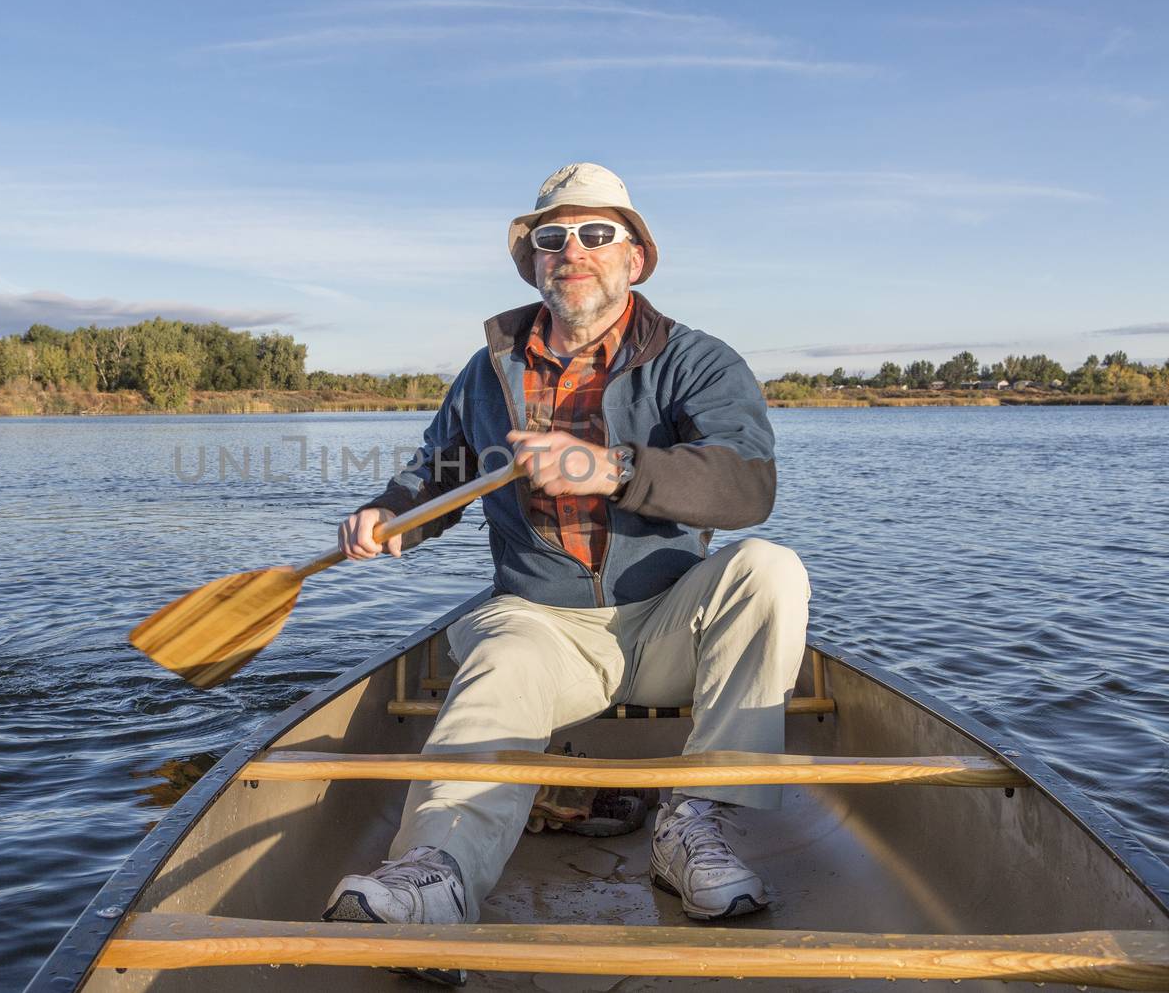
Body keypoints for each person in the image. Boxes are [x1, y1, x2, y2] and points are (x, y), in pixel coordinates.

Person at [321, 163, 811, 967]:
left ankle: (691, 825)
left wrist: (613, 466)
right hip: (542, 627)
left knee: (770, 569)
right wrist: (390, 516)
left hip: (667, 626)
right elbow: (441, 475)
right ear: (534, 261)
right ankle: (435, 874)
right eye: (552, 237)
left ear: (635, 258)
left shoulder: (697, 360)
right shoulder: (488, 372)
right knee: (504, 648)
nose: (571, 250)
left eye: (596, 233)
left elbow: (747, 483)